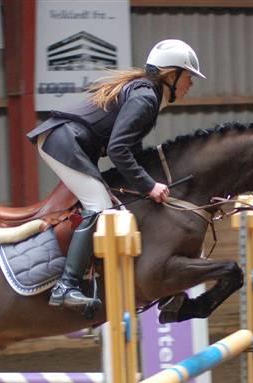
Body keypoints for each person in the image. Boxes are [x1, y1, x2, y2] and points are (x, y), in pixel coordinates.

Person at [26, 39, 205, 318]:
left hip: (71, 142)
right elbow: (118, 149)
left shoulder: (147, 95)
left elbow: (130, 148)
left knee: (118, 201)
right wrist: (149, 185)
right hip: (62, 143)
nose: (191, 83)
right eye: (188, 76)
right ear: (171, 75)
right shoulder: (146, 98)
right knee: (99, 206)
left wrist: (148, 181)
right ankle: (66, 285)